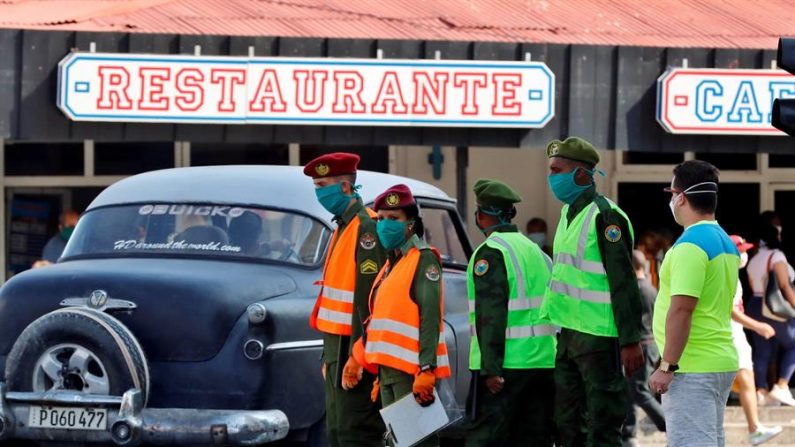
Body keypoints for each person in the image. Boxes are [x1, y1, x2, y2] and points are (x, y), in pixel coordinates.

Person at [540, 136, 644, 447]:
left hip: (599, 336)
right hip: (569, 334)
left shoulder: (605, 216)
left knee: (602, 421)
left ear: (582, 174)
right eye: (551, 170)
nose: (552, 177)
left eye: (558, 170)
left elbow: (623, 282)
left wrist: (630, 340)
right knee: (567, 422)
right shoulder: (567, 214)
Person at [352, 184, 450, 447]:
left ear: (411, 224)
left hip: (412, 373)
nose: (384, 224)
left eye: (393, 219)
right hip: (389, 373)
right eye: (381, 218)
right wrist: (377, 368)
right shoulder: (389, 265)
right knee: (398, 443)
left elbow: (430, 318)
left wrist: (427, 369)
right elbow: (381, 321)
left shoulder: (424, 260)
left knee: (417, 443)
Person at [649, 160, 739, 447]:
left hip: (692, 366)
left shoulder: (690, 245)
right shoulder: (724, 240)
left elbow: (682, 309)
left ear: (681, 196)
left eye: (670, 192)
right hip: (717, 359)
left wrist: (667, 365)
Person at [304, 152, 386, 447]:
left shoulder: (367, 228)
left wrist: (356, 355)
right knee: (337, 431)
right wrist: (330, 356)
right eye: (316, 185)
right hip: (337, 348)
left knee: (356, 432)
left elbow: (369, 300)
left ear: (345, 187)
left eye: (324, 184)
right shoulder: (343, 226)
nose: (319, 192)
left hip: (355, 349)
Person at [465, 179, 556, 447]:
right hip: (542, 364)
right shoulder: (538, 253)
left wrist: (490, 369)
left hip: (506, 369)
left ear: (481, 216)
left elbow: (489, 315)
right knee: (533, 439)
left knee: (487, 439)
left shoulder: (491, 253)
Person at [729, 234, 783, 445]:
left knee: (744, 380)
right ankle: (754, 429)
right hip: (731, 334)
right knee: (745, 380)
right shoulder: (729, 278)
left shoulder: (731, 276)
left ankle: (755, 428)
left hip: (733, 335)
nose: (744, 255)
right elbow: (730, 311)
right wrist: (758, 326)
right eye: (741, 251)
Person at [746, 224, 795, 407]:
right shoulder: (777, 256)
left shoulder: (755, 258)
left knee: (762, 351)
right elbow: (784, 285)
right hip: (774, 307)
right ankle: (782, 386)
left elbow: (753, 285)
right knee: (793, 345)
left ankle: (761, 392)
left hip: (756, 305)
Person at [622, 250, 666, 446]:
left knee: (639, 389)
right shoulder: (651, 289)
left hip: (642, 345)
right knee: (630, 388)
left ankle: (667, 423)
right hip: (650, 344)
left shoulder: (636, 290)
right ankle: (629, 433)